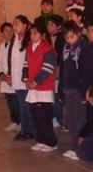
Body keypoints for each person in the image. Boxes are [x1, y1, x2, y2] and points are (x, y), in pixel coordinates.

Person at [23, 23, 58, 152]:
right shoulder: (29, 47)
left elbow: (48, 68)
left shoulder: (48, 49)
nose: (32, 36)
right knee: (35, 115)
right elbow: (26, 66)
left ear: (43, 35)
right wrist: (26, 79)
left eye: (35, 33)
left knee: (44, 116)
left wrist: (36, 82)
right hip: (32, 88)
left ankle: (51, 142)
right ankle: (41, 139)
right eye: (31, 33)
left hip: (44, 87)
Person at [60, 21, 88, 160]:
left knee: (80, 120)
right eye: (66, 37)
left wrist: (84, 92)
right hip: (68, 88)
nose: (69, 40)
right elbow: (63, 69)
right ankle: (74, 145)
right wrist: (61, 89)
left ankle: (81, 148)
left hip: (79, 90)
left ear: (78, 34)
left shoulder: (84, 48)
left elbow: (87, 72)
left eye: (72, 36)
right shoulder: (65, 47)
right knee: (70, 119)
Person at [11, 15, 35, 141]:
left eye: (17, 24)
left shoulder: (29, 40)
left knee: (26, 106)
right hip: (16, 78)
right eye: (13, 24)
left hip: (25, 80)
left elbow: (29, 61)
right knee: (21, 106)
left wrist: (27, 78)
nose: (14, 27)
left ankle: (29, 131)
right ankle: (25, 129)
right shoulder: (14, 39)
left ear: (25, 26)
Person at [0, 22, 20, 132]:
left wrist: (10, 76)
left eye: (11, 30)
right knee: (10, 102)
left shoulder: (17, 44)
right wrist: (0, 74)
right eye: (6, 31)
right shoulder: (2, 46)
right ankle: (14, 121)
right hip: (5, 79)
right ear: (2, 33)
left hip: (14, 78)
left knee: (17, 102)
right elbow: (0, 62)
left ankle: (20, 122)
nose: (9, 33)